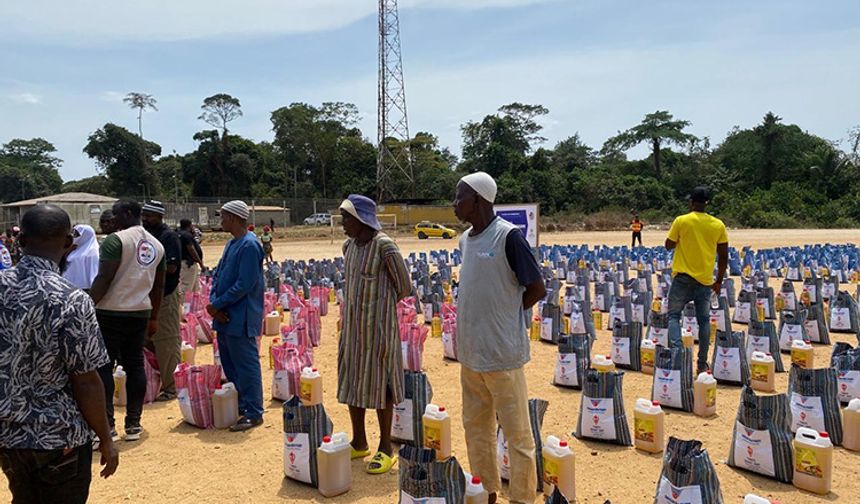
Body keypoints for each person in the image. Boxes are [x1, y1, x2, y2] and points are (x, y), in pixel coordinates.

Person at [0, 205, 118, 503]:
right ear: (68, 243)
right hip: (59, 438)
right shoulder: (72, 300)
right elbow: (87, 380)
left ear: (20, 241)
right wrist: (105, 438)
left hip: (9, 438)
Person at [453, 171, 546, 504]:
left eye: (460, 196)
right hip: (471, 355)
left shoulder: (508, 237)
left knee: (517, 434)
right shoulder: (465, 240)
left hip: (503, 356)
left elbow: (537, 287)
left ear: (478, 199)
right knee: (476, 429)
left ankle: (521, 498)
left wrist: (508, 313)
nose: (455, 203)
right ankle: (488, 492)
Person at [337, 194, 411, 475]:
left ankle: (385, 448)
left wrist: (379, 305)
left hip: (379, 332)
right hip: (353, 330)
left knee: (383, 387)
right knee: (353, 382)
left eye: (346, 218)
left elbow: (404, 287)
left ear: (360, 219)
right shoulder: (349, 246)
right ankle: (359, 441)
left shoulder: (385, 246)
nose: (343, 224)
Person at [90, 199, 166, 441]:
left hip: (110, 312)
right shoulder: (156, 245)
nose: (114, 219)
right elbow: (159, 285)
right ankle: (133, 423)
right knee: (134, 365)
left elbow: (104, 278)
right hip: (140, 312)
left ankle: (108, 425)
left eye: (117, 214)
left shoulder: (116, 240)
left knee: (104, 367)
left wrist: (88, 305)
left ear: (128, 213)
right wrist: (153, 316)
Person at [206, 201, 265, 432]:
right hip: (225, 315)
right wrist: (214, 304)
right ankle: (241, 404)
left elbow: (245, 284)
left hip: (241, 315)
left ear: (234, 218)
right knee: (230, 363)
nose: (221, 221)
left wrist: (218, 304)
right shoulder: (232, 244)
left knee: (246, 364)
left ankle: (253, 411)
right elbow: (219, 274)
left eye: (224, 217)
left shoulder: (250, 245)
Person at [665, 186, 729, 374]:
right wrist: (718, 281)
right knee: (703, 321)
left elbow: (668, 245)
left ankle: (678, 356)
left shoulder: (681, 221)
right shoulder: (718, 225)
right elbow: (724, 256)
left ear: (691, 202)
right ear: (706, 203)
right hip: (705, 281)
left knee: (674, 316)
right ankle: (702, 363)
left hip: (682, 279)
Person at [141, 201, 183, 401]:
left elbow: (172, 267)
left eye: (150, 215)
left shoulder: (168, 237)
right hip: (149, 295)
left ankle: (171, 387)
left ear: (159, 217)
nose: (146, 219)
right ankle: (156, 382)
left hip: (166, 295)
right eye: (144, 215)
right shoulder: (147, 236)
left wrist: (144, 270)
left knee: (166, 340)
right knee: (149, 340)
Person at [63, 224, 101, 291]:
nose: (74, 237)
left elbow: (94, 273)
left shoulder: (92, 252)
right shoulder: (75, 249)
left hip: (84, 289)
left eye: (76, 234)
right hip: (68, 286)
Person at [178, 219, 205, 294]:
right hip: (188, 265)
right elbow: (192, 250)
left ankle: (195, 305)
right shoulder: (187, 235)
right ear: (190, 225)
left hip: (186, 264)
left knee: (196, 288)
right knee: (186, 287)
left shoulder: (178, 234)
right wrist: (201, 264)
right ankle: (184, 304)